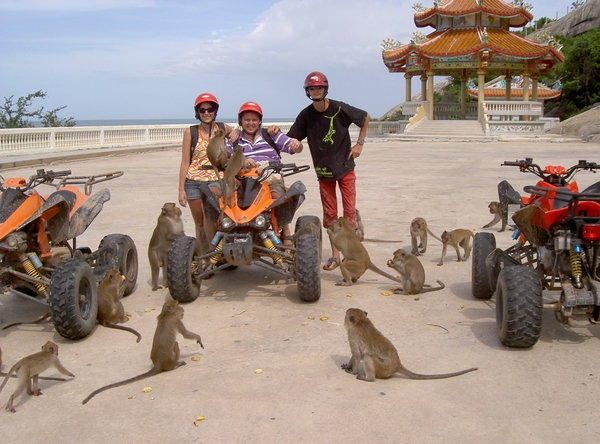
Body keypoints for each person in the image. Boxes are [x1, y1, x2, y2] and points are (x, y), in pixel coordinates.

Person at [287, 71, 370, 271]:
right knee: (331, 215)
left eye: (319, 87)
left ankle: (351, 253)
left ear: (325, 89)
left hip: (345, 167)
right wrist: (272, 134)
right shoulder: (306, 115)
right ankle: (335, 256)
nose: (316, 91)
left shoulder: (339, 108)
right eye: (312, 88)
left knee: (348, 213)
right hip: (324, 172)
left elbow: (365, 117)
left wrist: (359, 144)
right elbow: (292, 140)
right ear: (307, 91)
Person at [226, 101, 303, 247]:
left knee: (278, 198)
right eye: (247, 120)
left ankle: (285, 231)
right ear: (240, 121)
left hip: (270, 179)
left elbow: (296, 148)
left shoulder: (271, 135)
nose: (251, 123)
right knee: (225, 201)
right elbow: (226, 158)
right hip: (244, 181)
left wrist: (297, 144)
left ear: (259, 121)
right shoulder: (235, 141)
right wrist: (242, 161)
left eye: (254, 120)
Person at [178, 92, 233, 250]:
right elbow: (185, 162)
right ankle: (205, 257)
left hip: (215, 178)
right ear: (198, 112)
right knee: (200, 222)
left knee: (212, 218)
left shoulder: (223, 128)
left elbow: (237, 138)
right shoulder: (191, 132)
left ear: (215, 110)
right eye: (202, 110)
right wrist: (181, 189)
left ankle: (216, 252)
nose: (206, 113)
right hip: (193, 182)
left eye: (210, 109)